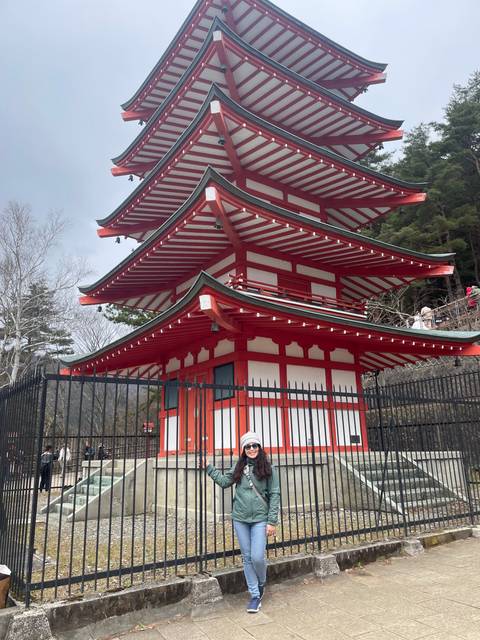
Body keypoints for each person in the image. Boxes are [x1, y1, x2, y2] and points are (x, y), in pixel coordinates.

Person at [204, 431, 280, 613]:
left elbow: (275, 494)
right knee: (247, 558)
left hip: (260, 519)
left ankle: (261, 582)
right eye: (248, 446)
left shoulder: (269, 468)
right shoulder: (239, 467)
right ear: (243, 449)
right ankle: (255, 595)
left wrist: (272, 521)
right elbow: (223, 482)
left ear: (260, 447)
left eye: (255, 445)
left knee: (257, 557)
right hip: (240, 519)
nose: (252, 449)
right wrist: (208, 467)